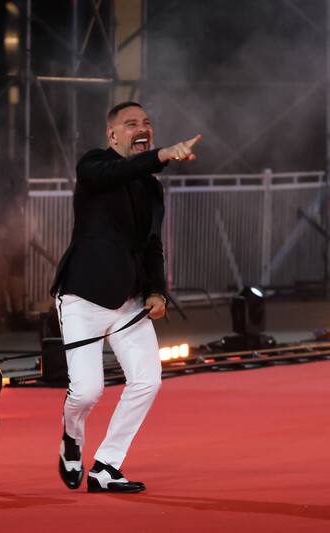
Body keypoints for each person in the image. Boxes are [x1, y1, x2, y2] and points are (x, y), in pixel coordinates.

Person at [50, 101, 201, 493]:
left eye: (148, 123)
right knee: (87, 391)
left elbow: (152, 245)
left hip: (129, 303)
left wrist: (156, 291)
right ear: (112, 135)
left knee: (148, 381)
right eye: (131, 123)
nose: (142, 128)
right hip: (83, 297)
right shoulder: (94, 166)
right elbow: (118, 171)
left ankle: (105, 467)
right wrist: (162, 156)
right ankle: (72, 439)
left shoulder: (151, 186)